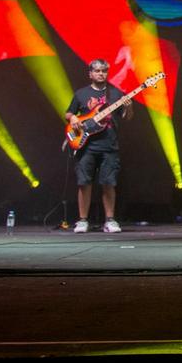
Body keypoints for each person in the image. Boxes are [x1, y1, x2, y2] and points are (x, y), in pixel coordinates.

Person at [65, 59, 132, 234]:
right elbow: (69, 112)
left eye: (104, 71)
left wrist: (129, 107)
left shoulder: (116, 94)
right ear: (90, 73)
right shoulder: (81, 94)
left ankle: (110, 220)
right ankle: (82, 220)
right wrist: (72, 118)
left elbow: (127, 118)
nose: (101, 73)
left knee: (109, 183)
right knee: (84, 183)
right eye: (97, 71)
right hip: (86, 144)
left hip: (109, 145)